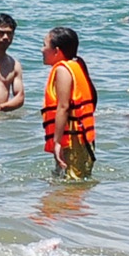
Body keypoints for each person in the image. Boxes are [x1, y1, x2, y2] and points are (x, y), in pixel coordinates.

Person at [41, 28, 99, 180]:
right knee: (71, 180)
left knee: (72, 183)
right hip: (83, 137)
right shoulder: (77, 65)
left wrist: (57, 142)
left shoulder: (62, 70)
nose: (42, 49)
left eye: (44, 45)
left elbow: (63, 107)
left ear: (56, 51)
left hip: (73, 139)